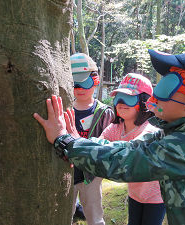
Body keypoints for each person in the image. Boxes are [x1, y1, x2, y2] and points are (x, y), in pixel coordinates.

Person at [34, 47, 185, 225]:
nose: (157, 92)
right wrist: (77, 143)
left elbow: (124, 162)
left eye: (169, 84)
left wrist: (63, 140)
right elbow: (130, 148)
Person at [100, 73, 165, 225]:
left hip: (156, 196)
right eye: (118, 98)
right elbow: (98, 145)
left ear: (144, 102)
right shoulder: (116, 128)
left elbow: (131, 154)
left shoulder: (149, 131)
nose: (120, 103)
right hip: (135, 193)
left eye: (128, 98)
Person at [70, 53, 115, 225]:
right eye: (74, 84)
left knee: (94, 214)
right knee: (65, 213)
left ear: (95, 80)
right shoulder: (66, 108)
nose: (79, 88)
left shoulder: (104, 112)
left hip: (92, 174)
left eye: (84, 82)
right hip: (68, 171)